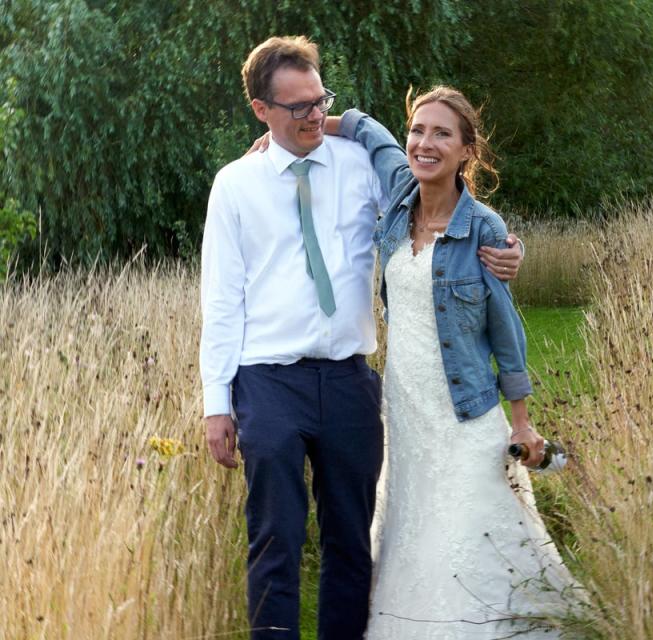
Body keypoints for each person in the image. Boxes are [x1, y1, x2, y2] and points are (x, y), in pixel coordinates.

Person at [200, 37, 522, 640]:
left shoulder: (359, 168)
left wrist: (504, 247)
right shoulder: (235, 186)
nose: (313, 115)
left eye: (320, 100)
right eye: (295, 107)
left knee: (352, 536)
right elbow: (220, 299)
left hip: (350, 379)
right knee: (276, 533)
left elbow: (439, 208)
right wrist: (217, 403)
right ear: (260, 110)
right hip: (267, 380)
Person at [334, 88, 585, 638]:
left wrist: (521, 422)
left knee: (469, 529)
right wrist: (296, 126)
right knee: (414, 525)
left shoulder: (485, 230)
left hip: (466, 410)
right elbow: (362, 127)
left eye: (442, 133)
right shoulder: (400, 194)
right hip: (403, 410)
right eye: (418, 130)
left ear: (467, 149)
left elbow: (507, 332)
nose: (425, 143)